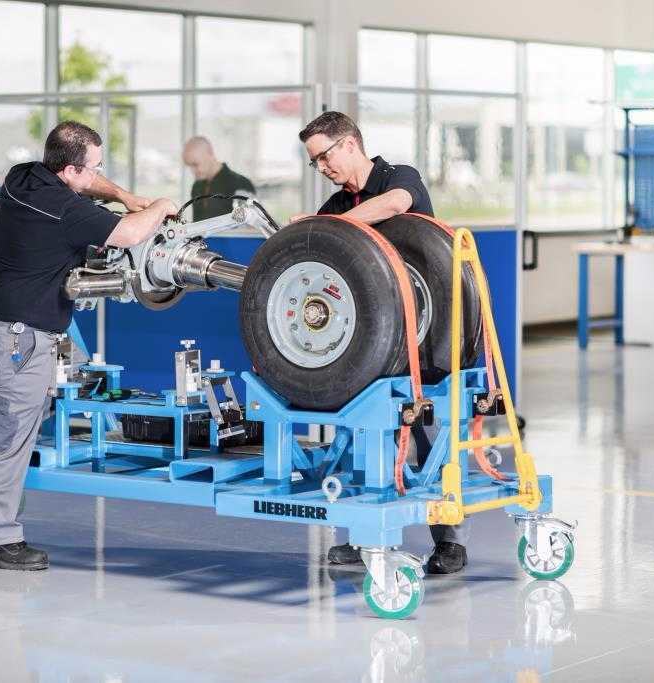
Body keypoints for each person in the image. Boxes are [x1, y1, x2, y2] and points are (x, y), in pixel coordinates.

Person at [0, 121, 176, 571]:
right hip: (21, 336)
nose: (98, 174)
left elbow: (89, 184)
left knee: (77, 382)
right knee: (9, 439)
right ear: (69, 170)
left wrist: (122, 194)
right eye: (94, 168)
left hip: (20, 327)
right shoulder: (65, 209)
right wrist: (160, 206)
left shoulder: (23, 176)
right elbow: (130, 235)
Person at [296, 111, 468, 575]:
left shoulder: (398, 177)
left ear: (350, 143)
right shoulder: (336, 205)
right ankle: (365, 534)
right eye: (314, 162)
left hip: (428, 332)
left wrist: (330, 225)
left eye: (324, 156)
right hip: (371, 340)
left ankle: (450, 540)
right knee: (360, 435)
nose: (322, 168)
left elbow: (395, 204)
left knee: (429, 437)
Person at [182, 136, 256, 221]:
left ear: (210, 153)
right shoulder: (196, 186)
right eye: (189, 166)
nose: (192, 171)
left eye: (195, 164)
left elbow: (250, 224)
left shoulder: (241, 183)